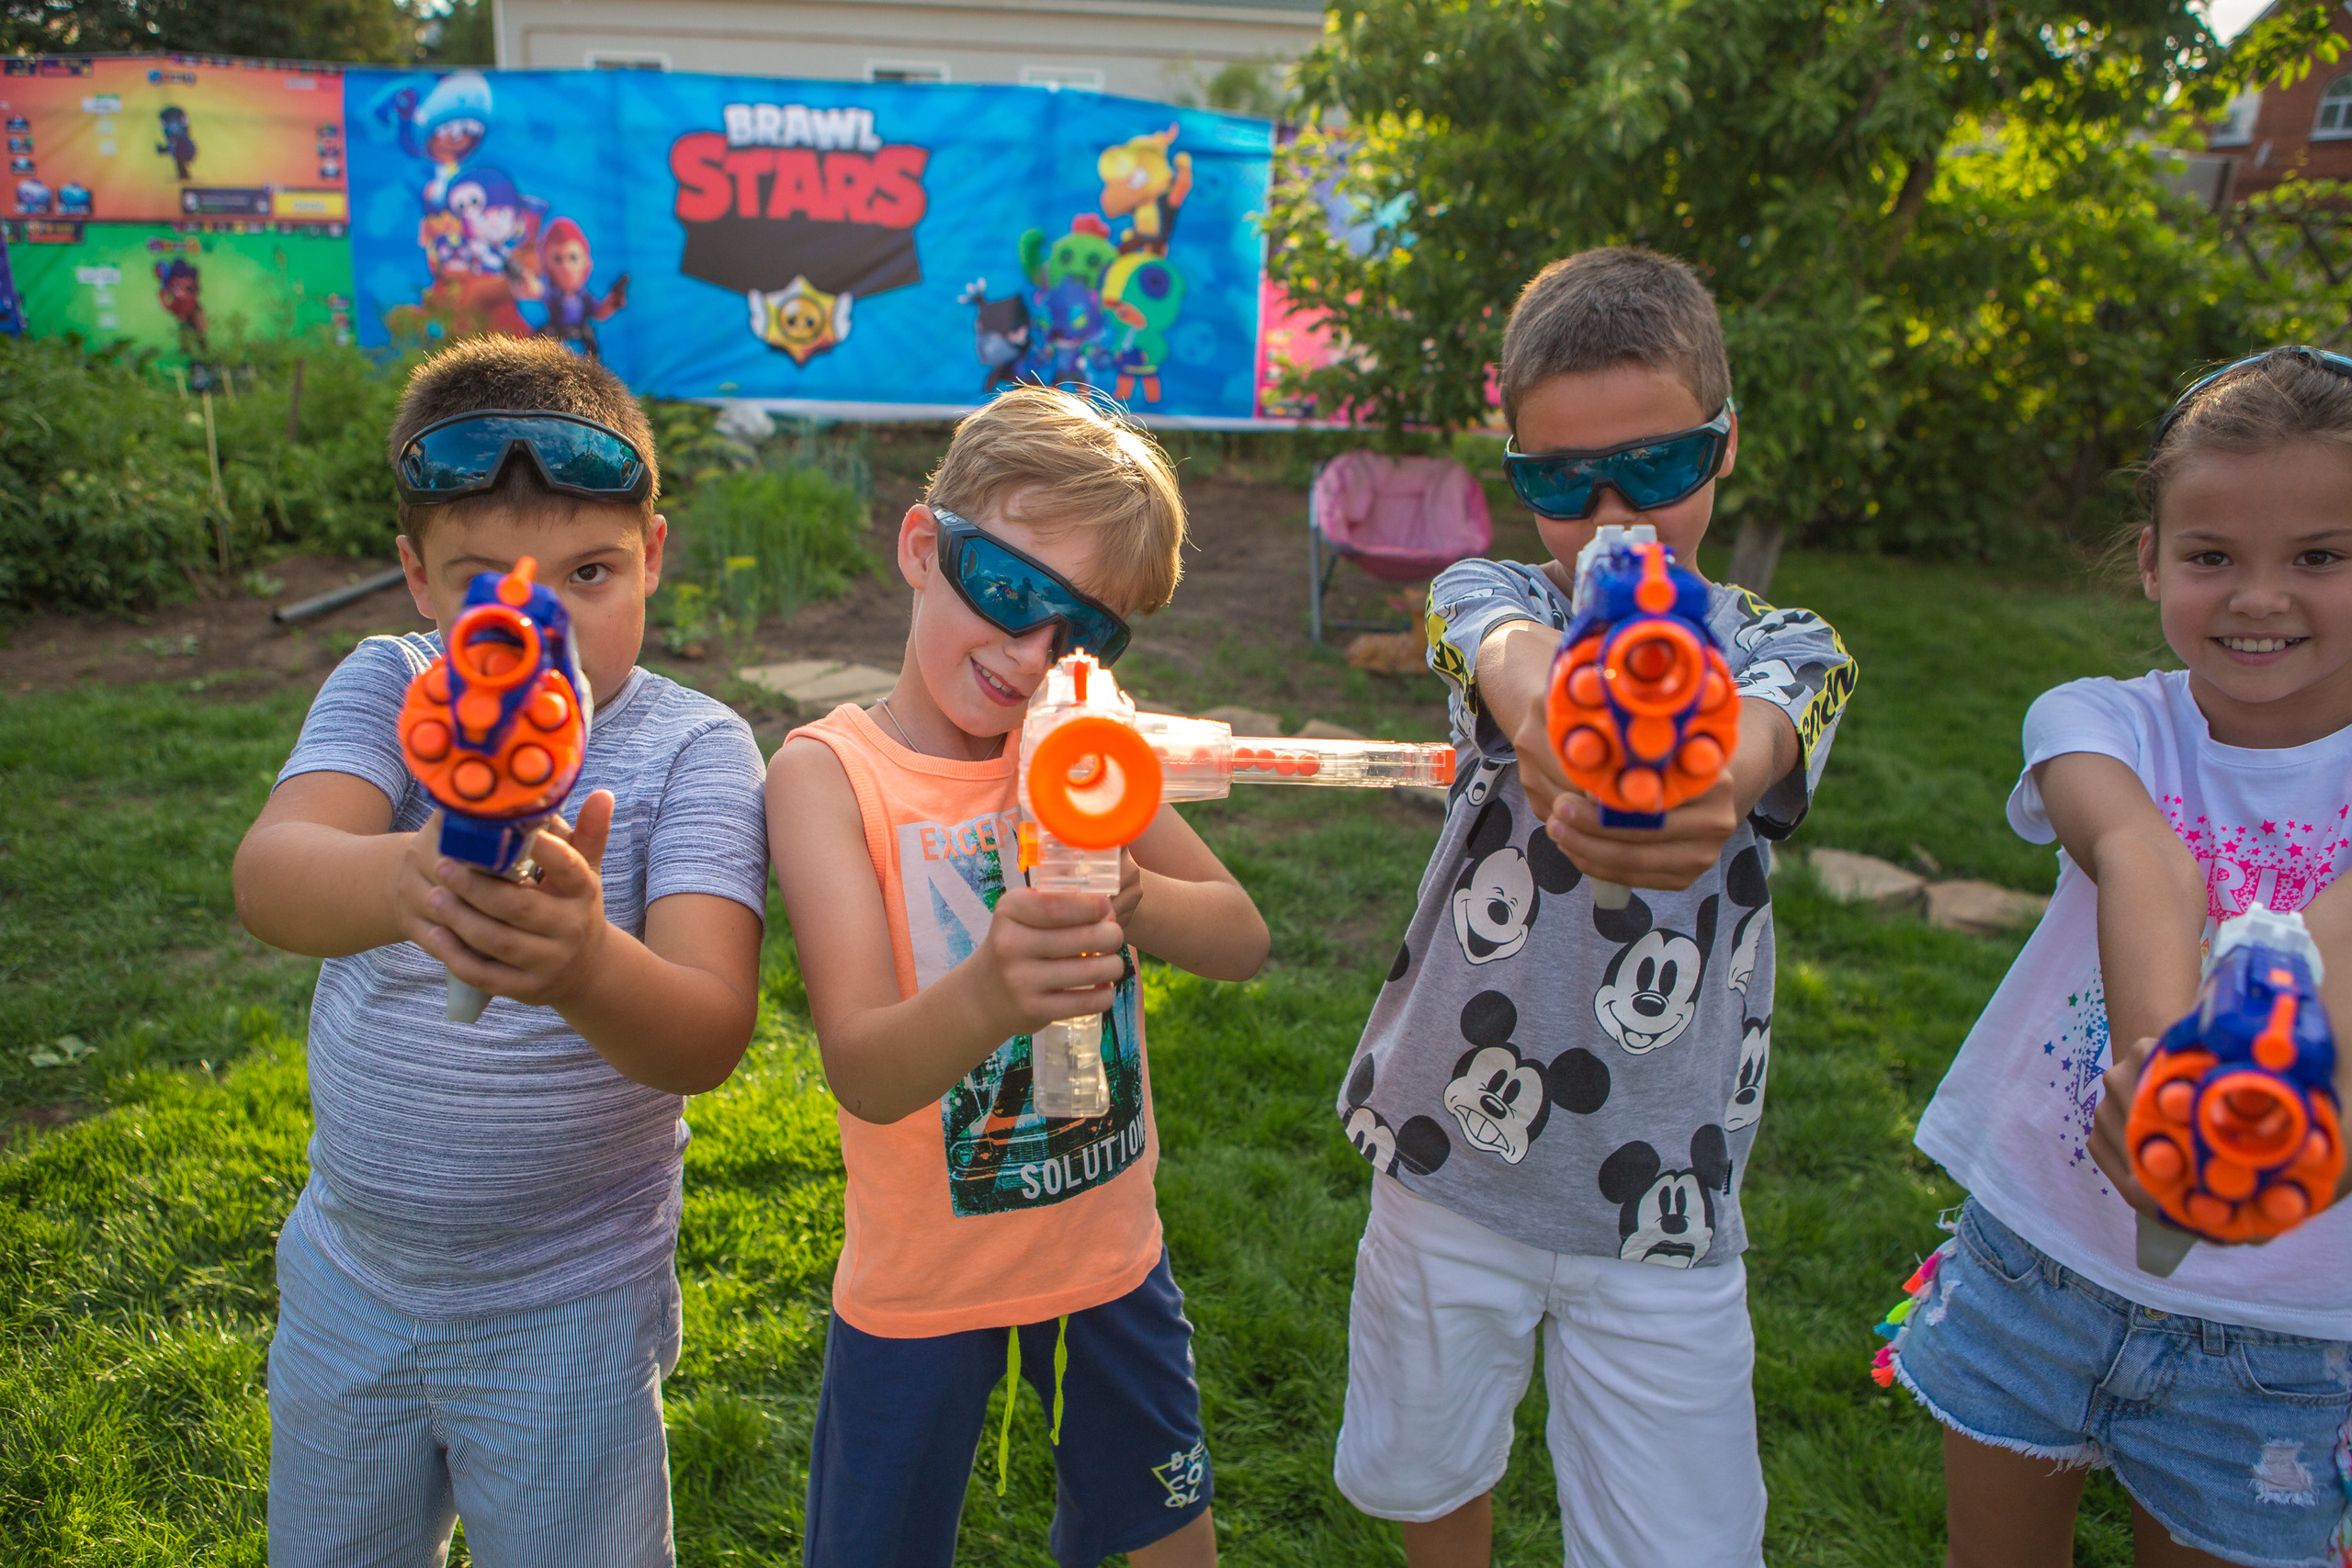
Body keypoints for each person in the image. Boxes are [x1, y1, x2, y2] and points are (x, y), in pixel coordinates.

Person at [1329, 246, 1858, 1568]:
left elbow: (1762, 737)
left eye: (1658, 469)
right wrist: (1566, 725)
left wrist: (1702, 781)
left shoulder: (1792, 648)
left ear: (1724, 447)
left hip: (1664, 1200)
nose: (1615, 513)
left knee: (1685, 1541)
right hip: (1455, 1162)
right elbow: (1496, 650)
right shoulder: (1498, 597)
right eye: (1562, 482)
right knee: (1423, 1464)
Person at [232, 334, 770, 1566]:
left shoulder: (696, 748)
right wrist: (408, 873)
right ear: (416, 579)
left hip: (569, 1305)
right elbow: (272, 879)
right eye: (486, 582)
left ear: (654, 559)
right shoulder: (386, 687)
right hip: (350, 1279)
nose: (542, 626)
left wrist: (584, 966)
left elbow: (706, 1030)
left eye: (590, 572)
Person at [766, 384, 1269, 1568]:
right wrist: (994, 987)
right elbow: (867, 1070)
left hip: (1108, 1258)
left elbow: (1242, 937)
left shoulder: (1080, 753)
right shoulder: (827, 779)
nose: (1033, 653)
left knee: (1172, 1548)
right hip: (918, 1283)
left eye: (1085, 633)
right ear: (921, 548)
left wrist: (1134, 897)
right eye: (1007, 591)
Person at [1892, 345, 2352, 1568]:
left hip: (2285, 1342)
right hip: (2040, 1265)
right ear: (2150, 561)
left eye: (2320, 555)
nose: (2261, 597)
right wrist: (2166, 1087)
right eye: (2213, 558)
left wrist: (2260, 1117)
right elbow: (2144, 860)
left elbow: (2331, 953)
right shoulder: (2098, 719)